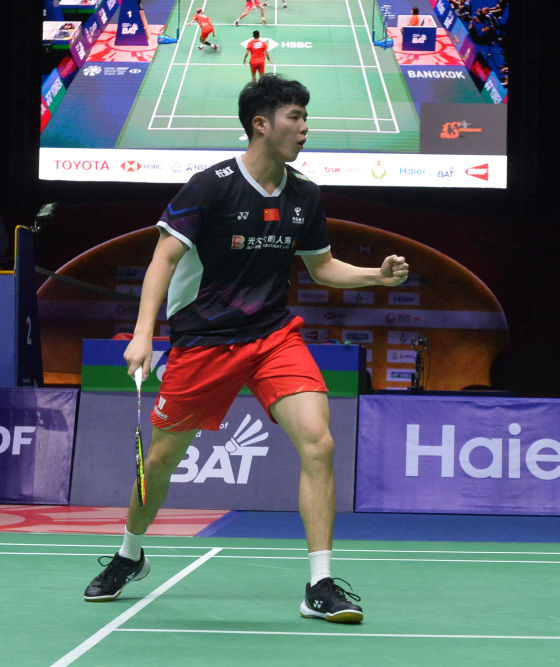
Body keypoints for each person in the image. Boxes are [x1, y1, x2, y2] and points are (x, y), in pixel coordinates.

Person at [83, 74, 410, 625]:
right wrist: (142, 334)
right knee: (160, 462)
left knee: (319, 444)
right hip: (204, 341)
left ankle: (320, 584)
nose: (305, 129)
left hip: (273, 337)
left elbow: (323, 267)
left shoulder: (304, 194)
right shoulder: (210, 187)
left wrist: (376, 275)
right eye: (294, 118)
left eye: (305, 118)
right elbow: (163, 260)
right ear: (261, 125)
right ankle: (129, 554)